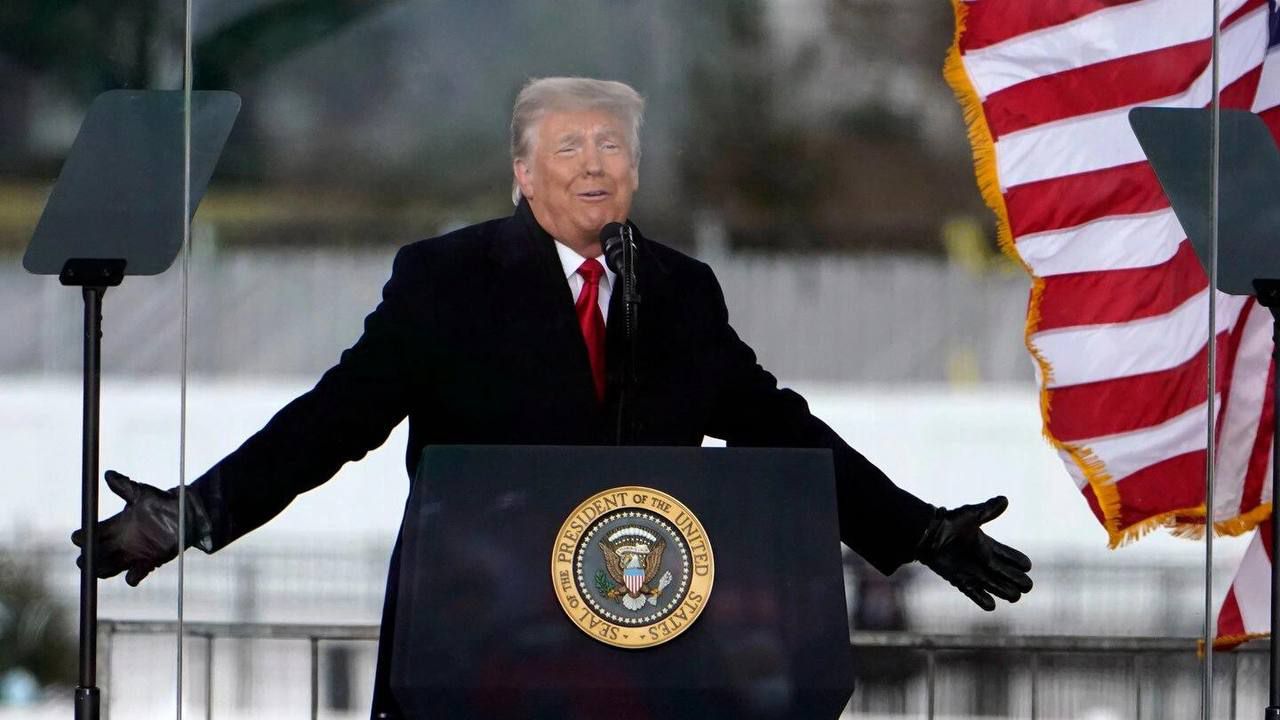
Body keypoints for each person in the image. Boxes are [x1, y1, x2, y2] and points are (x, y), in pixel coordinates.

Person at [73, 77, 1032, 717]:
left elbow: (775, 425)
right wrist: (197, 511)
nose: (594, 164)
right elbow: (336, 418)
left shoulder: (679, 289)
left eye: (613, 145)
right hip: (481, 645)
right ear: (523, 173)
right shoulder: (448, 280)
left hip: (645, 651)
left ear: (637, 170)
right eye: (568, 146)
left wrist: (912, 529)